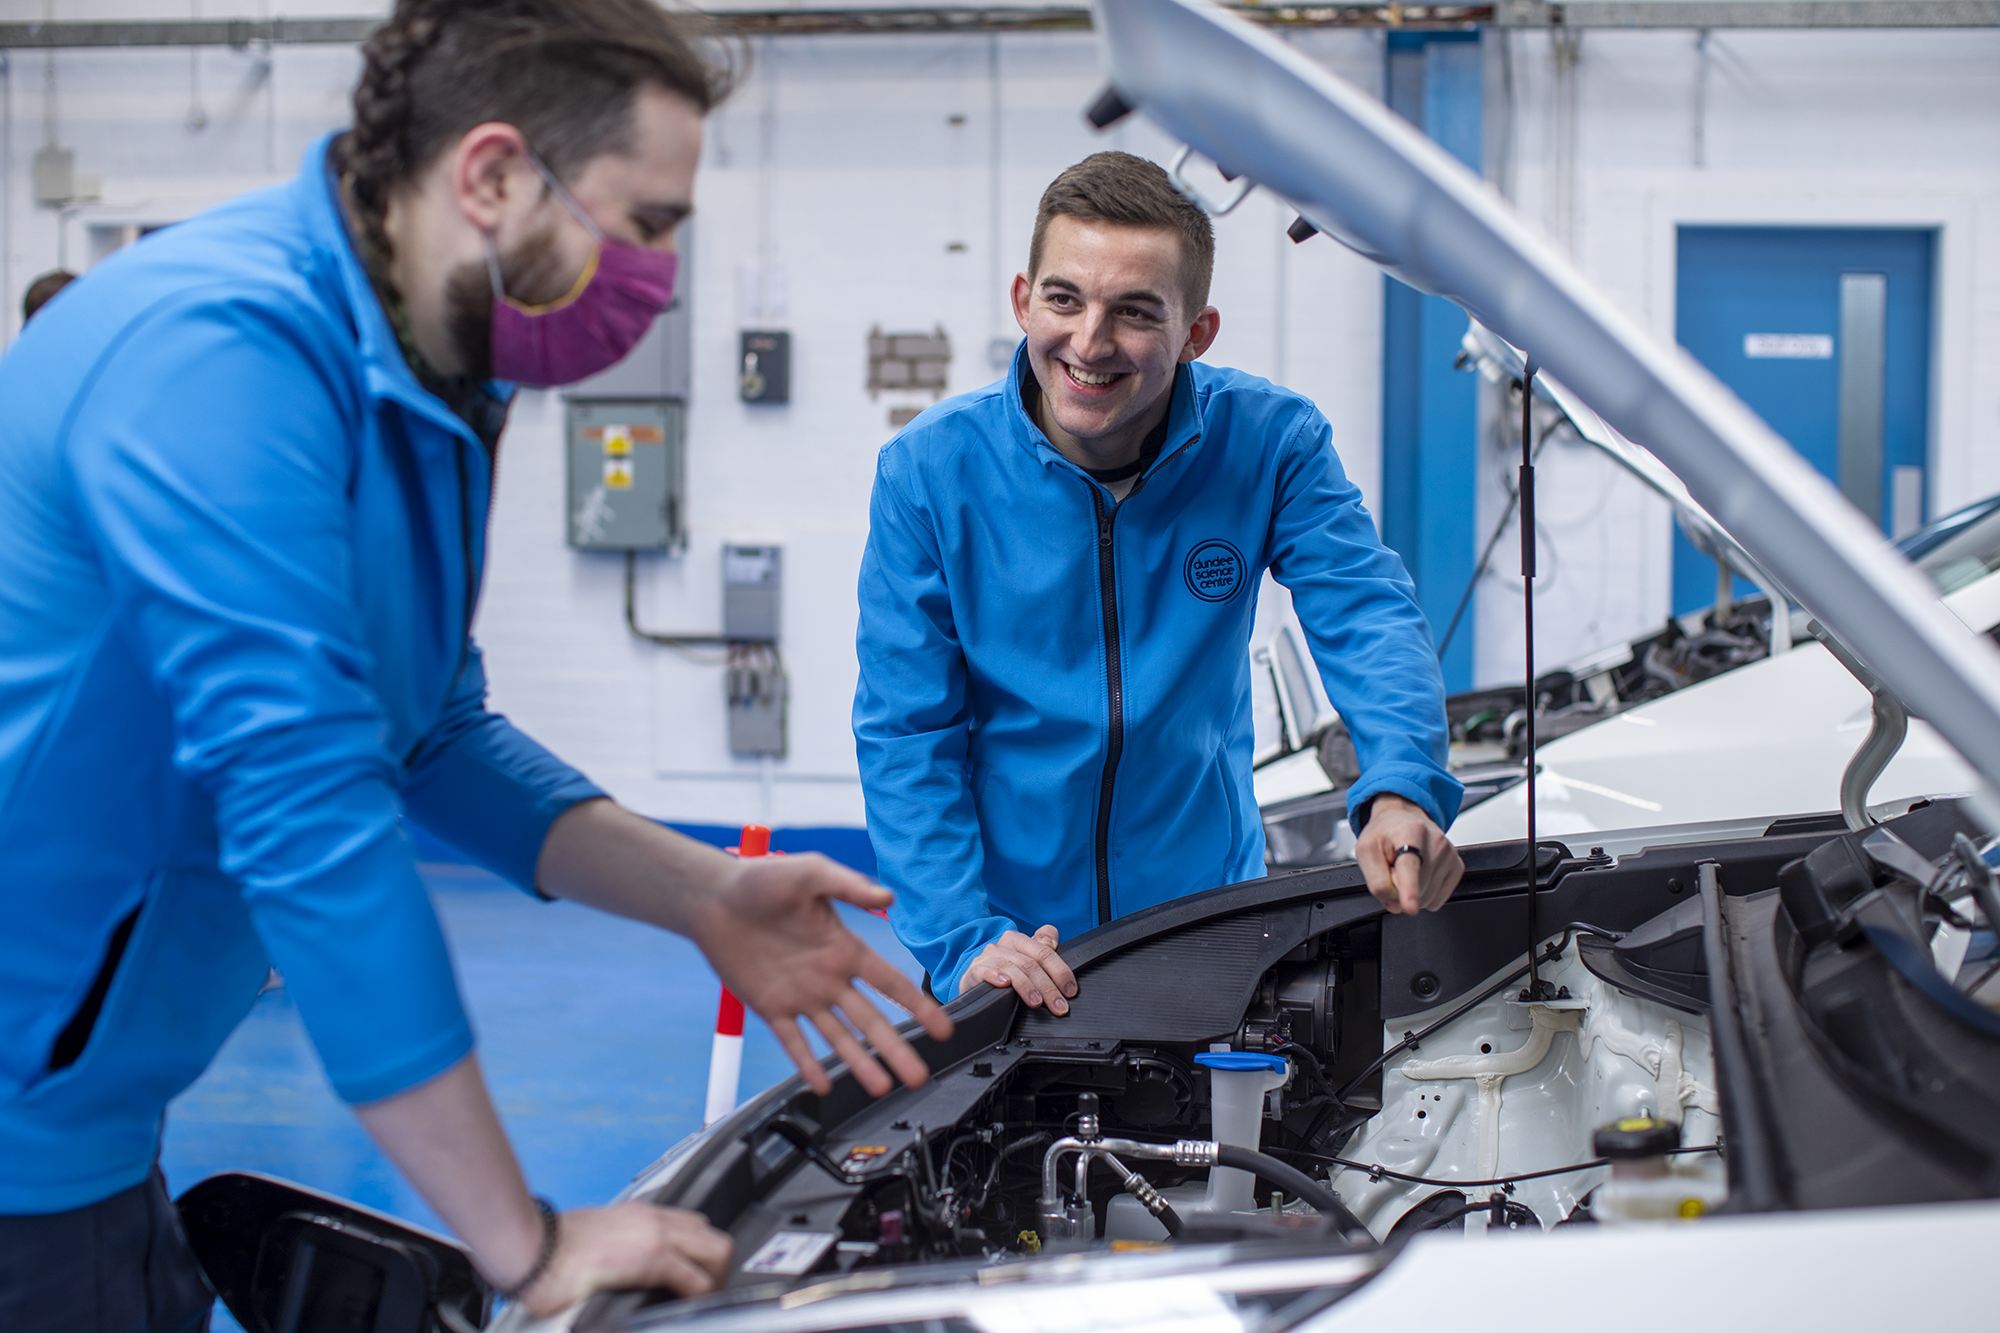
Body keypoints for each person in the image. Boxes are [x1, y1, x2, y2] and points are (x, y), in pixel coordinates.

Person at [0, 2, 949, 1329]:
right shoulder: (219, 356)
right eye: (650, 220)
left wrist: (709, 897)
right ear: (495, 173)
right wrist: (528, 1241)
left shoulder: (434, 384)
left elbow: (431, 734)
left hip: (90, 1125)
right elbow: (309, 809)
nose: (663, 272)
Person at [854, 152, 1467, 1013]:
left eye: (1135, 312)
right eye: (1065, 299)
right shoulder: (929, 472)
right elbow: (906, 729)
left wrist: (1401, 786)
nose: (1090, 342)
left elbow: (1364, 609)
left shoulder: (1270, 443)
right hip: (1012, 943)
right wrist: (963, 937)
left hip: (1204, 916)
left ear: (1196, 333)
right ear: (1023, 299)